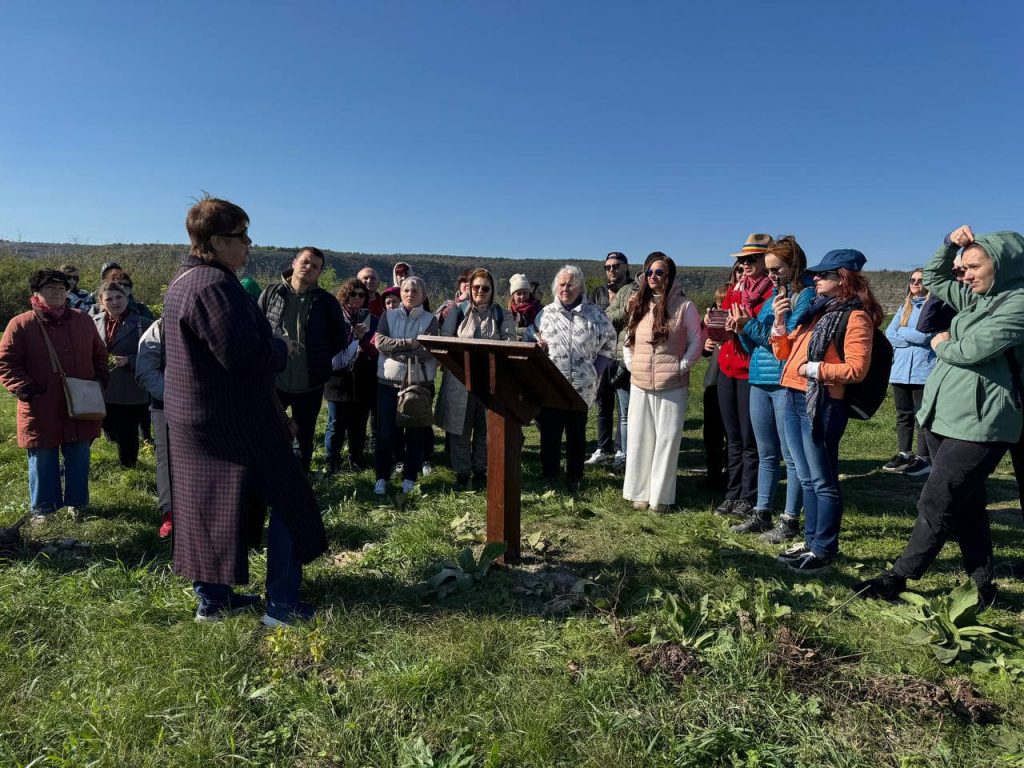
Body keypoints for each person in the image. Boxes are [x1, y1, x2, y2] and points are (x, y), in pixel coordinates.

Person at [163, 197, 327, 626]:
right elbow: (241, 355)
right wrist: (279, 347)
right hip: (235, 420)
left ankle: (213, 602)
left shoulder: (183, 281)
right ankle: (282, 607)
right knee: (292, 501)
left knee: (208, 507)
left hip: (196, 417)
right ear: (216, 241)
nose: (249, 244)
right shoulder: (214, 286)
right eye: (241, 236)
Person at [854, 226, 1024, 605]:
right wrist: (951, 245)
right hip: (944, 414)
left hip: (982, 422)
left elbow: (973, 350)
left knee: (938, 500)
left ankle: (899, 577)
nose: (964, 275)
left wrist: (942, 343)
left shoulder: (1018, 304)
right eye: (962, 268)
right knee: (968, 504)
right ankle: (982, 586)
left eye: (972, 267)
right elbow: (933, 277)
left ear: (1003, 263)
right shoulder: (979, 298)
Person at [770, 249, 881, 572]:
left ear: (843, 278)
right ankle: (811, 541)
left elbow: (857, 369)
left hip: (820, 403)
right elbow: (783, 350)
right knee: (806, 477)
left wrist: (816, 370)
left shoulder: (855, 316)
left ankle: (824, 549)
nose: (816, 278)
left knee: (822, 479)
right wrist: (779, 322)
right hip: (793, 395)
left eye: (824, 274)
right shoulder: (818, 311)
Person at [0, 270, 108, 522]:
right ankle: (44, 510)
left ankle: (78, 504)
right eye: (51, 288)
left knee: (79, 454)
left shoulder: (82, 320)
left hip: (81, 403)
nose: (59, 292)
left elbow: (99, 354)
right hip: (41, 404)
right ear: (36, 293)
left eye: (62, 288)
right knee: (43, 457)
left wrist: (101, 380)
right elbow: (6, 362)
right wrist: (25, 388)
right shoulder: (21, 323)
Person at [731, 236, 814, 540]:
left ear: (794, 265)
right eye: (768, 270)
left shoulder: (804, 297)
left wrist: (752, 326)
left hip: (783, 381)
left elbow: (786, 345)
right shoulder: (772, 299)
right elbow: (754, 344)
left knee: (790, 455)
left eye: (776, 269)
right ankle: (761, 512)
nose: (771, 276)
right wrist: (740, 328)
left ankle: (790, 520)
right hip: (759, 379)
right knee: (766, 452)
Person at [621, 253, 702, 511]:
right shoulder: (637, 303)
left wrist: (681, 367)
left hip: (672, 383)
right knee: (639, 437)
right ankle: (639, 492)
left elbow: (696, 341)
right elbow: (628, 340)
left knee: (666, 439)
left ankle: (661, 497)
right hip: (640, 381)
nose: (653, 277)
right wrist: (632, 365)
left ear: (670, 276)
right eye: (649, 273)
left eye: (659, 273)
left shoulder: (684, 307)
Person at [257, 247, 348, 472]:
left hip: (310, 383)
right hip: (273, 379)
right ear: (294, 263)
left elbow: (340, 337)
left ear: (319, 273)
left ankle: (299, 482)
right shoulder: (272, 293)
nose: (309, 268)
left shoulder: (326, 301)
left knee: (304, 437)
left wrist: (319, 356)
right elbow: (257, 328)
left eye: (315, 266)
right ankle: (270, 478)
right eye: (305, 262)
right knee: (267, 431)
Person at [532, 265, 616, 492]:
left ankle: (574, 476)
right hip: (551, 386)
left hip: (581, 387)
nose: (565, 288)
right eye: (561, 284)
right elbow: (534, 339)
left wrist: (596, 371)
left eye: (570, 284)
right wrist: (537, 348)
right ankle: (549, 475)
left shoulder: (595, 314)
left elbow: (610, 343)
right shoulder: (546, 314)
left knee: (576, 434)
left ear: (579, 287)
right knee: (549, 435)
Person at [435, 268, 515, 489]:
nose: (480, 291)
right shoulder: (458, 310)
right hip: (460, 380)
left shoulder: (501, 313)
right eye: (476, 287)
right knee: (459, 428)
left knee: (485, 428)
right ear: (469, 288)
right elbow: (447, 340)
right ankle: (462, 473)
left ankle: (480, 471)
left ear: (492, 290)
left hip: (491, 382)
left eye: (485, 288)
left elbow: (509, 341)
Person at [714, 234, 774, 519]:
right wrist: (713, 325)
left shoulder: (770, 294)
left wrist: (743, 326)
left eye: (753, 259)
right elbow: (726, 324)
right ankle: (732, 491)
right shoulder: (736, 289)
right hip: (727, 366)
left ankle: (748, 496)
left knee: (750, 438)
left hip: (751, 369)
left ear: (767, 260)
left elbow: (763, 333)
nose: (747, 264)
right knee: (733, 436)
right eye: (743, 259)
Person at [373, 276, 439, 495]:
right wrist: (411, 343)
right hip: (388, 382)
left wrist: (396, 348)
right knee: (385, 433)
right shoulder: (388, 315)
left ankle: (409, 477)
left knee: (415, 433)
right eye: (406, 290)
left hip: (418, 384)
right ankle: (381, 476)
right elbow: (380, 342)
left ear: (424, 295)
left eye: (415, 290)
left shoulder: (431, 319)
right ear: (400, 293)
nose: (410, 294)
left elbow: (427, 350)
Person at [881, 268, 936, 477]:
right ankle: (904, 453)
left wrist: (903, 334)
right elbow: (889, 333)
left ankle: (923, 458)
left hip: (924, 370)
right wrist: (912, 335)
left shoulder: (934, 308)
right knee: (903, 414)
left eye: (920, 280)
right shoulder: (904, 306)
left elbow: (926, 337)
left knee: (922, 416)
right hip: (901, 371)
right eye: (912, 280)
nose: (915, 283)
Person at [92, 281, 152, 468]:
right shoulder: (92, 323)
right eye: (109, 298)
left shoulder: (144, 324)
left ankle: (129, 469)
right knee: (105, 429)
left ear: (127, 298)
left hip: (130, 389)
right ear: (101, 302)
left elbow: (155, 356)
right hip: (101, 388)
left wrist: (130, 360)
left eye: (119, 297)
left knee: (128, 432)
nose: (115, 302)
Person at [324, 279, 379, 473]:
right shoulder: (334, 317)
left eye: (361, 294)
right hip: (337, 376)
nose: (356, 298)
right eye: (352, 294)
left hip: (362, 376)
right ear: (344, 295)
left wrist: (362, 338)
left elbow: (375, 351)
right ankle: (332, 460)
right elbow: (329, 345)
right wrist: (351, 336)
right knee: (336, 422)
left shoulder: (372, 319)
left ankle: (356, 458)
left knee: (359, 422)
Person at [584, 251, 632, 470]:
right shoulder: (599, 293)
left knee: (625, 408)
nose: (611, 270)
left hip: (624, 354)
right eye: (608, 267)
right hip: (601, 354)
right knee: (602, 404)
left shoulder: (635, 289)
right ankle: (603, 449)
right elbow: (592, 320)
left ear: (626, 267)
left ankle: (622, 451)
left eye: (616, 266)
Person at [136, 317, 173, 537]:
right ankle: (169, 513)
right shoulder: (159, 328)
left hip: (211, 407)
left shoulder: (214, 322)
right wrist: (176, 396)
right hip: (165, 406)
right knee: (167, 458)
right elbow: (146, 371)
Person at [699, 284, 731, 492]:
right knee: (712, 431)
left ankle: (731, 474)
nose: (720, 308)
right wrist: (705, 345)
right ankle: (713, 473)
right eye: (718, 304)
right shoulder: (710, 319)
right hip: (713, 377)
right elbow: (703, 346)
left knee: (732, 432)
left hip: (731, 376)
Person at [508, 273, 541, 341]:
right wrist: (527, 331)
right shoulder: (507, 313)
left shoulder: (540, 310)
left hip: (537, 348)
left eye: (525, 293)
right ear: (513, 296)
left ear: (529, 293)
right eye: (519, 294)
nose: (522, 296)